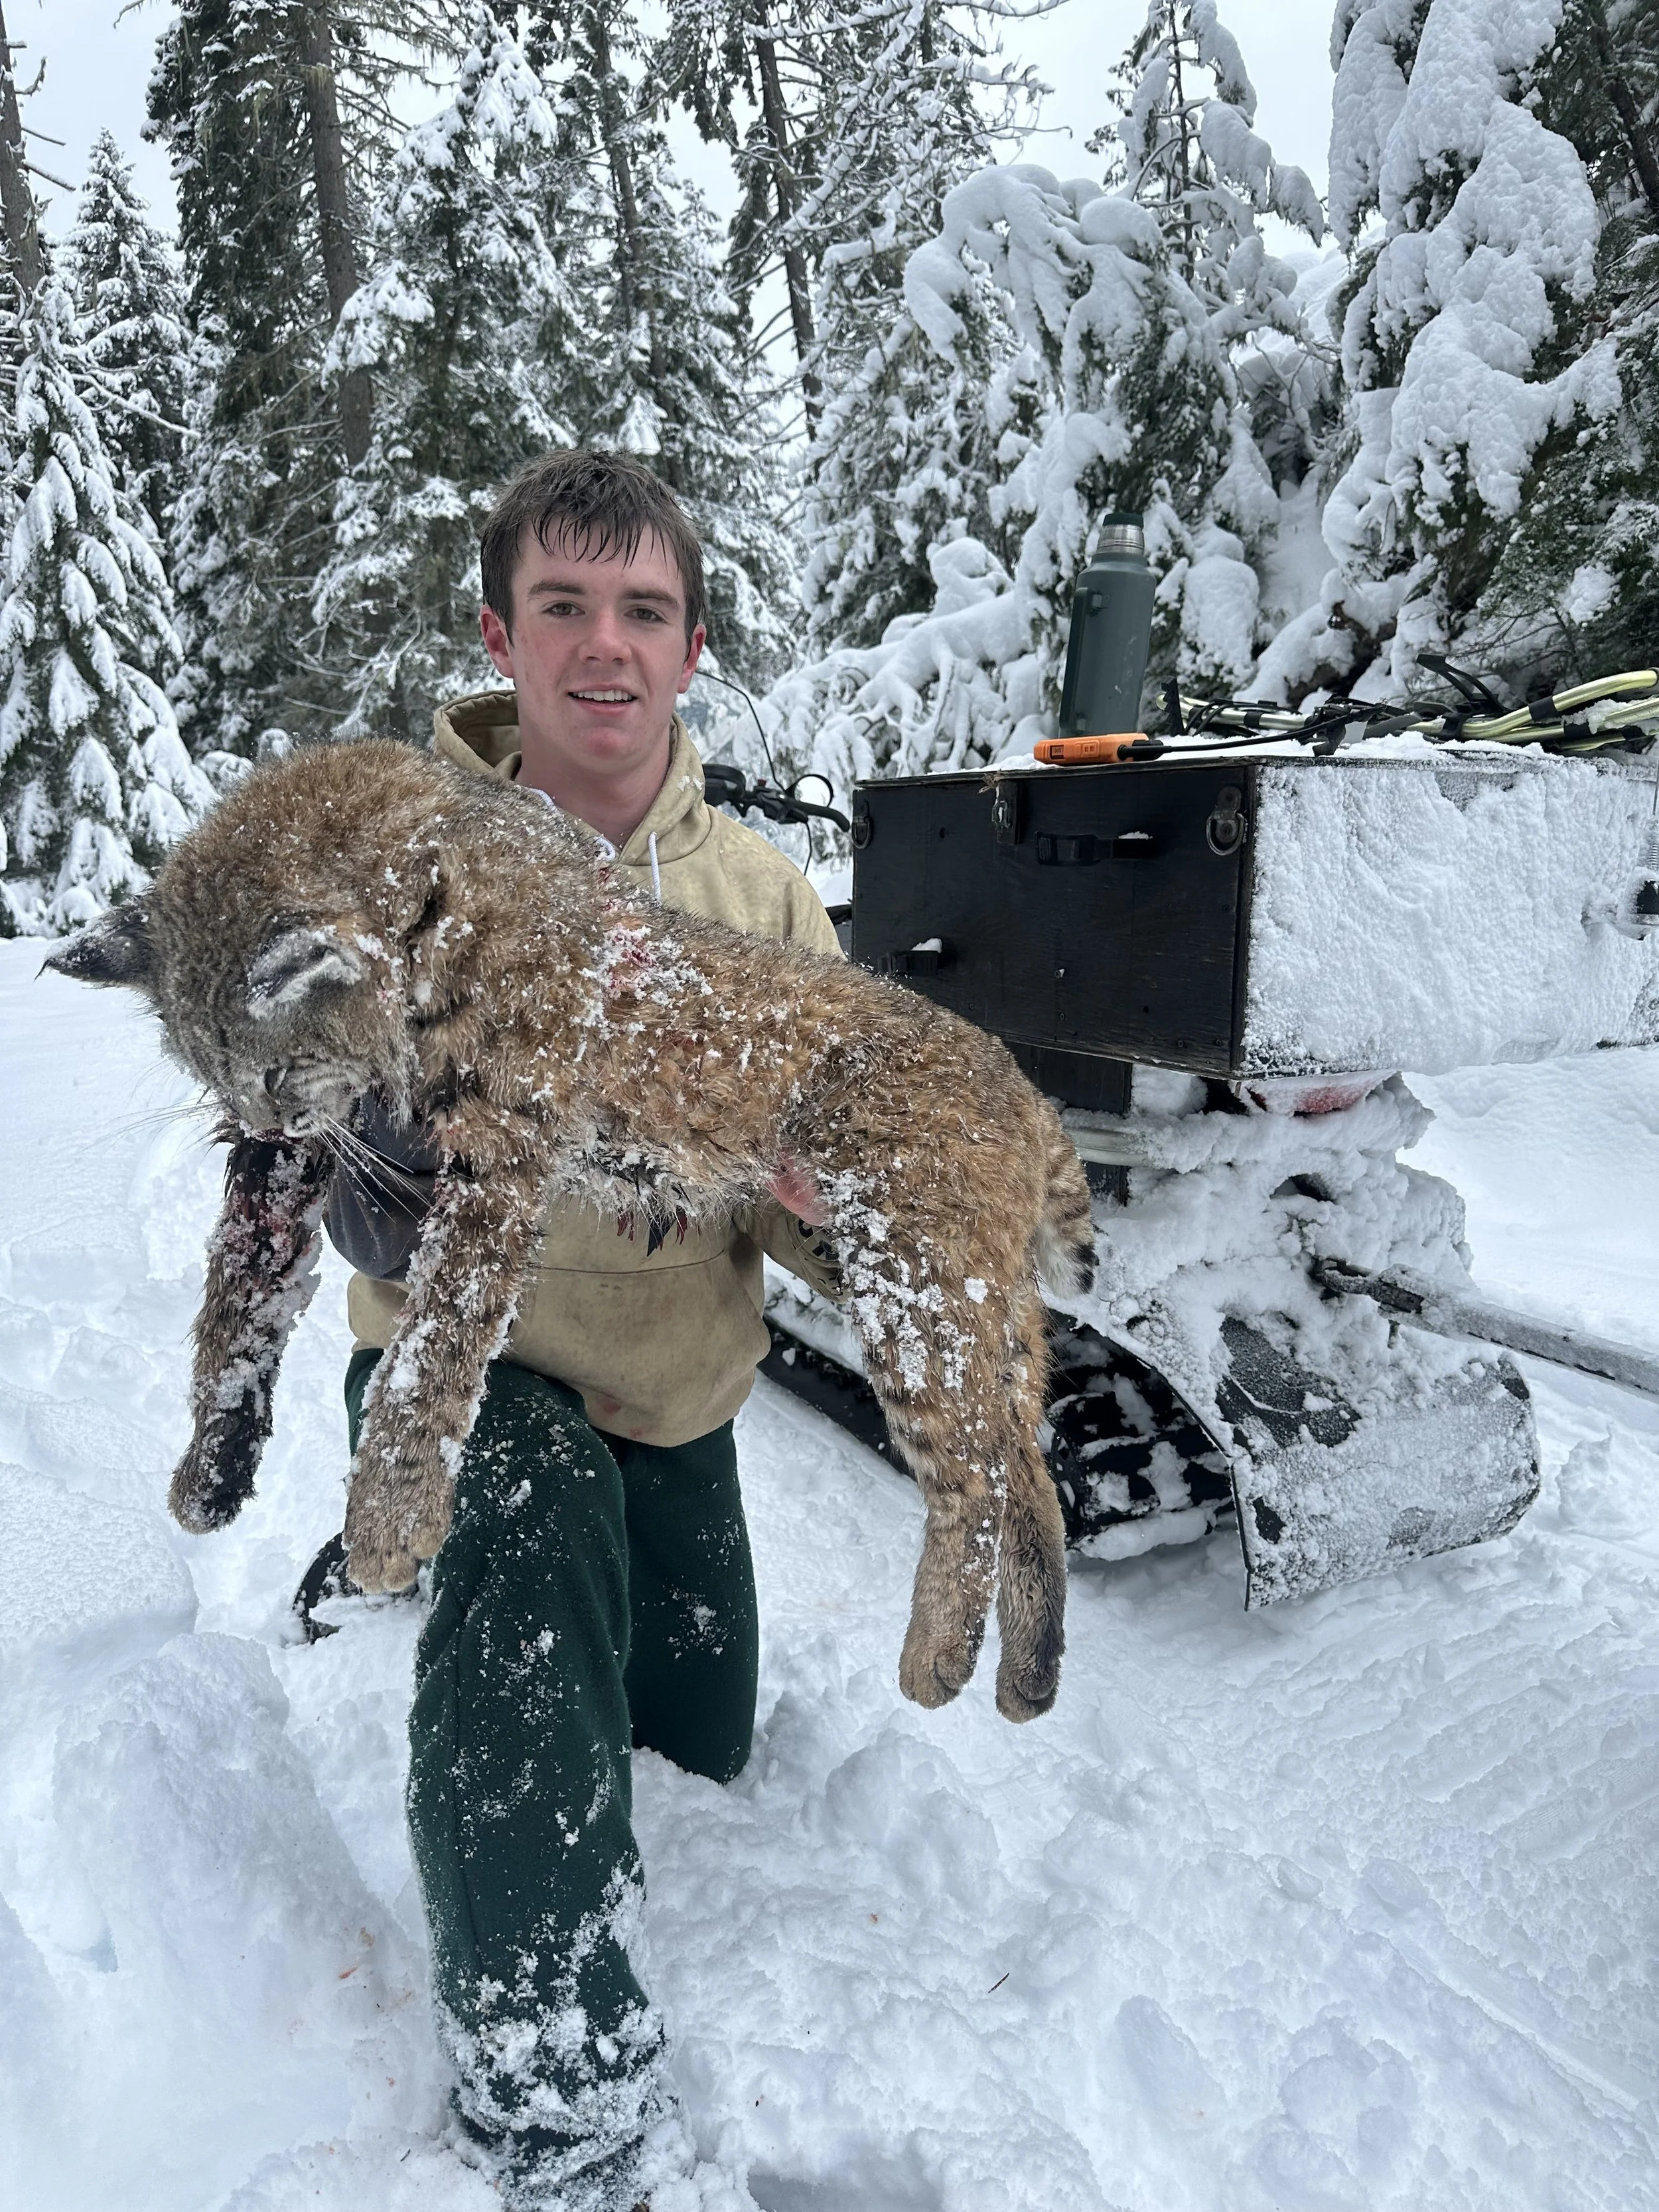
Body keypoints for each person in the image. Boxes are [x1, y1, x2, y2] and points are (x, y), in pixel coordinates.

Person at [322, 451, 843, 2211]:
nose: (602, 647)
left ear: (691, 647)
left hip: (672, 1396)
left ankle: (488, 1599)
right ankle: (555, 2097)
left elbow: (808, 1193)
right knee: (524, 1539)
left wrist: (822, 1193)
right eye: (564, 606)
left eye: (641, 611)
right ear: (499, 632)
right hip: (454, 1372)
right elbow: (324, 1163)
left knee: (696, 1754)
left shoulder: (764, 898)